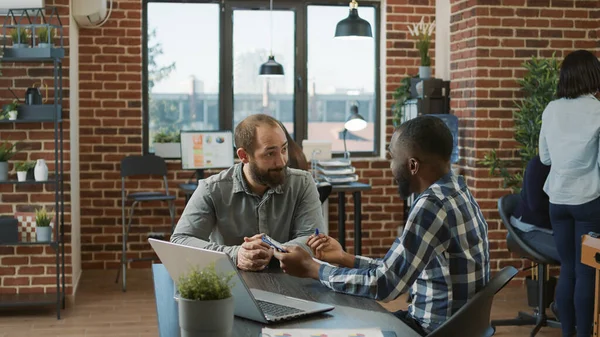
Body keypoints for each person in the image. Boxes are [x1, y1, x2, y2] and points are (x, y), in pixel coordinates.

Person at [273, 115, 490, 336]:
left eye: (392, 157)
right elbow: (395, 269)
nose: (391, 166)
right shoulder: (458, 190)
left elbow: (385, 285)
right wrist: (343, 258)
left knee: (337, 324)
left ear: (412, 165)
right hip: (453, 325)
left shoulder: (431, 206)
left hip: (432, 331)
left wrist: (313, 268)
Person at [171, 114, 325, 271]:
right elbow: (180, 241)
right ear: (244, 156)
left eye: (284, 149)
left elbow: (314, 240)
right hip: (231, 279)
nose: (281, 161)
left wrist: (271, 250)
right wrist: (236, 254)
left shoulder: (302, 183)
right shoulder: (212, 189)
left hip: (287, 277)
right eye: (270, 153)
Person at [538, 49, 600, 337]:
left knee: (567, 270)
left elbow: (545, 158)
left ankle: (566, 334)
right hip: (588, 201)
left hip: (558, 200)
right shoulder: (598, 110)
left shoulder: (551, 109)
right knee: (586, 272)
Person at [510, 155, 559, 262]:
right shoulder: (538, 164)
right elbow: (535, 204)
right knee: (573, 256)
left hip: (552, 228)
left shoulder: (567, 164)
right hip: (528, 229)